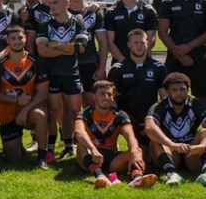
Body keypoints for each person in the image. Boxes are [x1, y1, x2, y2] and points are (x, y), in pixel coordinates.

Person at [0, 26, 50, 168]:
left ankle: (42, 156)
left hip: (30, 111)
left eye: (20, 38)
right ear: (7, 40)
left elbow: (43, 92)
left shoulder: (36, 62)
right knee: (13, 159)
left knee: (40, 115)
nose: (17, 41)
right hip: (8, 114)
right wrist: (15, 100)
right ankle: (17, 143)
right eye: (13, 38)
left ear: (25, 38)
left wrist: (25, 109)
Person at [35, 0, 88, 163]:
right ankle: (50, 147)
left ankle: (71, 145)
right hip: (52, 74)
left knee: (73, 111)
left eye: (55, 2)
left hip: (72, 73)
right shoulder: (45, 24)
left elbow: (81, 48)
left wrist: (55, 45)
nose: (52, 6)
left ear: (66, 3)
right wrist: (66, 48)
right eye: (50, 3)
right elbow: (42, 51)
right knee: (53, 110)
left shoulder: (77, 22)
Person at [74, 80, 151, 189]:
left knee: (137, 150)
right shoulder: (85, 114)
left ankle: (137, 178)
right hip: (89, 157)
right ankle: (99, 176)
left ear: (113, 97)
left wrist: (134, 151)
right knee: (81, 144)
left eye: (109, 94)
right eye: (102, 94)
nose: (106, 97)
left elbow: (130, 136)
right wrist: (93, 149)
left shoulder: (119, 115)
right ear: (94, 96)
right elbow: (78, 132)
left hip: (112, 159)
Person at [107, 29, 167, 161]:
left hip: (149, 119)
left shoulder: (158, 68)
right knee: (138, 154)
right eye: (135, 42)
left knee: (146, 156)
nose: (139, 45)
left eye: (142, 42)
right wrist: (122, 121)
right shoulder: (118, 69)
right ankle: (113, 147)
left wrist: (155, 121)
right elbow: (110, 101)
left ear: (148, 43)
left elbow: (164, 99)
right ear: (128, 44)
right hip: (126, 120)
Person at [145, 72, 206, 186]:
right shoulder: (159, 106)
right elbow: (149, 127)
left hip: (191, 153)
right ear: (167, 92)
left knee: (204, 132)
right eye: (174, 90)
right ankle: (171, 174)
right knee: (155, 138)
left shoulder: (195, 104)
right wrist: (171, 144)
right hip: (171, 153)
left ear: (188, 90)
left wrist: (201, 147)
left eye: (182, 89)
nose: (179, 93)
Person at [157, 0, 206, 102]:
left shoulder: (204, 1)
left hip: (199, 56)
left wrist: (188, 47)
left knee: (202, 97)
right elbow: (162, 31)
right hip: (175, 56)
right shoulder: (169, 2)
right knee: (170, 97)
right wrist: (179, 54)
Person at [105, 0, 158, 64]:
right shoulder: (112, 12)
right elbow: (110, 42)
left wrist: (138, 59)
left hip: (143, 61)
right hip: (120, 62)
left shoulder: (148, 11)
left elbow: (151, 39)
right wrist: (124, 61)